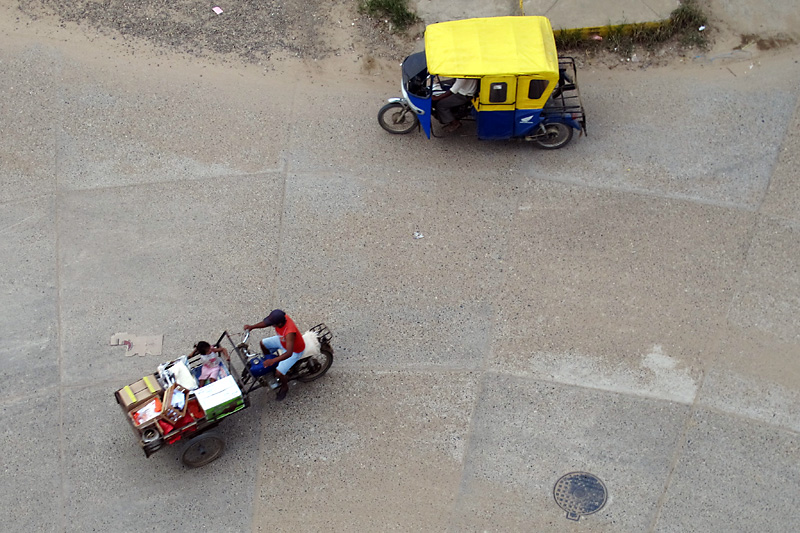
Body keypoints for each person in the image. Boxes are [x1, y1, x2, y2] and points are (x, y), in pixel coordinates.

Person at [244, 309, 306, 401]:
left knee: (279, 372)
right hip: (282, 341)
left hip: (294, 351)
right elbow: (265, 323)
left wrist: (272, 361)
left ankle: (285, 387)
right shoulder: (280, 318)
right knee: (263, 343)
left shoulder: (289, 332)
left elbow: (289, 353)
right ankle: (270, 366)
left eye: (273, 324)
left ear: (280, 324)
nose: (271, 325)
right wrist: (252, 327)